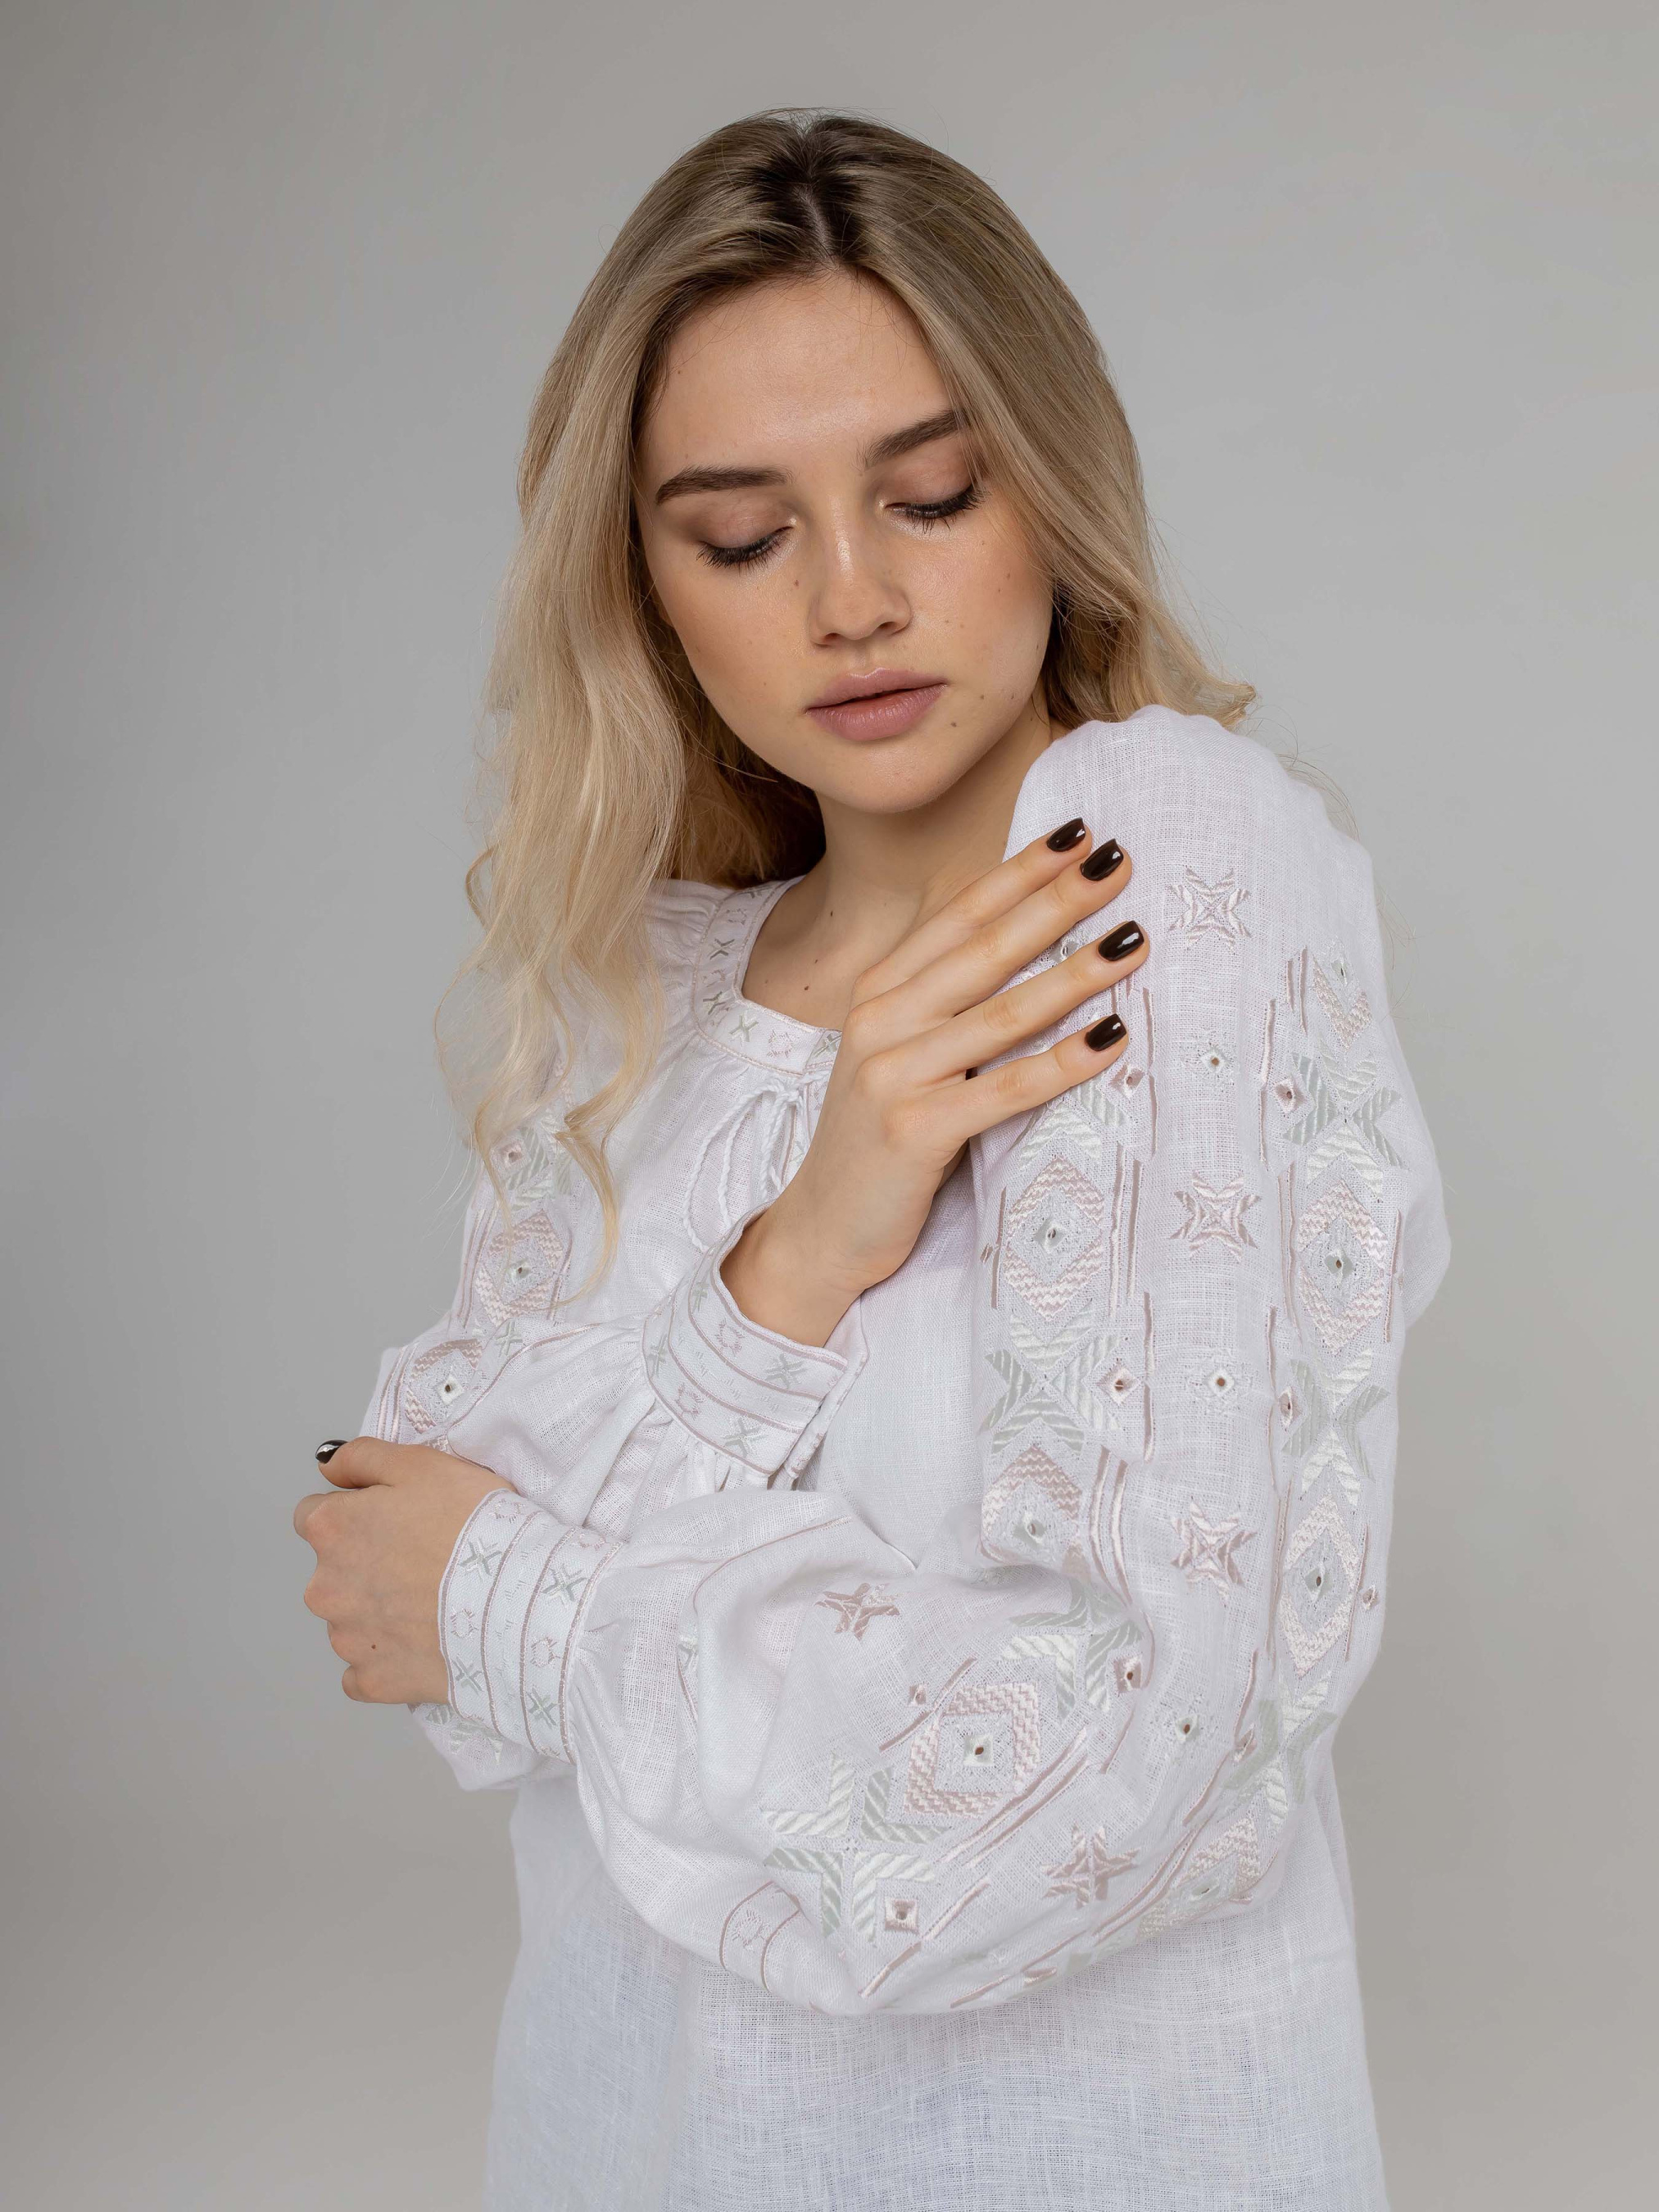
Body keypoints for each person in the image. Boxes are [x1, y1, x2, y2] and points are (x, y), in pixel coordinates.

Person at [294, 107, 1449, 2212]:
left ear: (1051, 488)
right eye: (741, 538)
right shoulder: (633, 1003)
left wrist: (519, 1601)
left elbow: (1119, 1759)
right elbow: (392, 1596)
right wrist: (807, 1242)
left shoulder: (1157, 873)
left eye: (929, 494)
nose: (852, 598)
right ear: (647, 593)